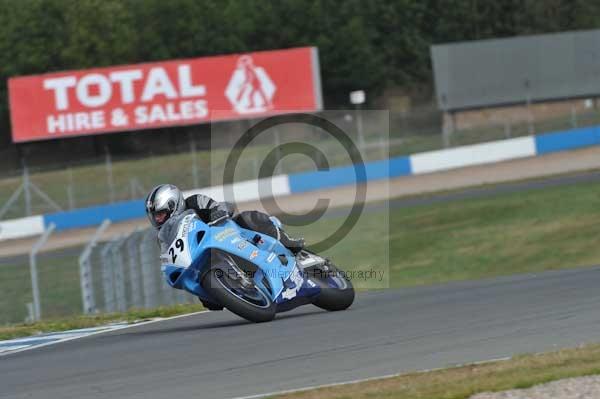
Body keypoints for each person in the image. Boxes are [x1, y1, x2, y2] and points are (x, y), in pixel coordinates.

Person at [145, 183, 304, 254]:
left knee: (247, 218)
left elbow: (220, 206)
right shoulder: (164, 238)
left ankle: (286, 241)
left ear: (174, 204)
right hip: (208, 256)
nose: (158, 220)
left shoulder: (194, 202)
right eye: (155, 216)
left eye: (160, 214)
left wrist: (217, 214)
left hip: (229, 235)